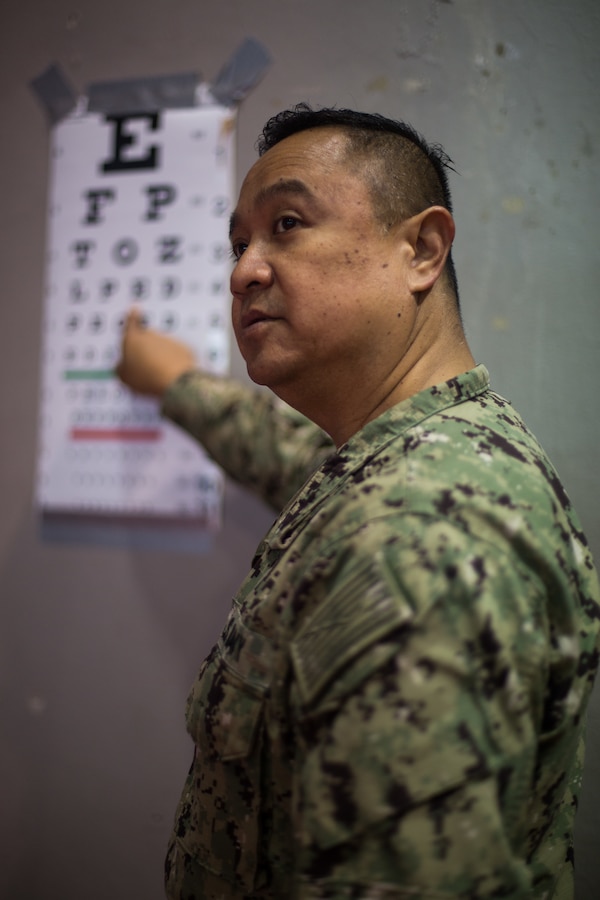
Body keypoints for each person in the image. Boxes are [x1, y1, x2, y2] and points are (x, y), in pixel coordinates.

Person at [117, 105, 600, 899]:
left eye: (289, 224)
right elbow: (292, 461)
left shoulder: (418, 534)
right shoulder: (405, 451)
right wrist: (172, 382)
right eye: (240, 243)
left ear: (422, 249)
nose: (244, 269)